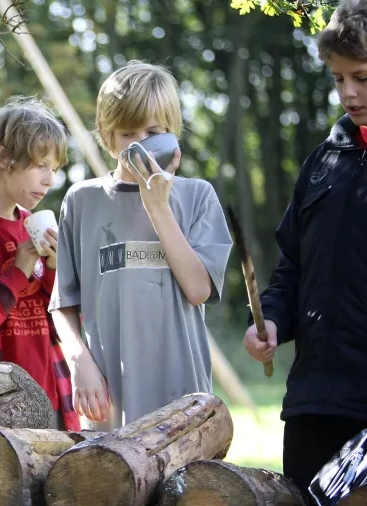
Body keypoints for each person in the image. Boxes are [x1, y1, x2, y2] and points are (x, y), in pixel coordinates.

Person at [48, 61, 233, 431]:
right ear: (106, 134)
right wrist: (79, 362)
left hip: (181, 396)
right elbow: (63, 305)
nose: (141, 144)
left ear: (172, 131)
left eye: (153, 131)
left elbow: (198, 290)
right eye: (127, 134)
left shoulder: (197, 196)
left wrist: (157, 206)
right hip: (107, 396)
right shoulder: (82, 200)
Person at [242, 0, 367, 498]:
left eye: (361, 76)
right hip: (314, 403)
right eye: (338, 79)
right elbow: (292, 267)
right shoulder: (322, 163)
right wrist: (271, 319)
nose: (349, 93)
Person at [0, 97, 81, 431]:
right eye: (39, 165)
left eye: (53, 168)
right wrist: (18, 271)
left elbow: (64, 322)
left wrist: (56, 269)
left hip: (52, 396)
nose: (49, 180)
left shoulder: (35, 224)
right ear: (1, 156)